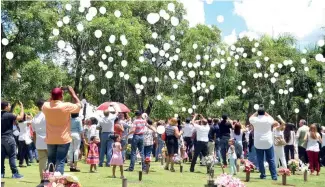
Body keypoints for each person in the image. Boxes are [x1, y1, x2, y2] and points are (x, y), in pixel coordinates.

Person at [42, 86, 81, 174]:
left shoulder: (46, 106)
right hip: (63, 139)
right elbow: (79, 105)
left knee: (50, 161)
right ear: (61, 96)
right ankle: (58, 181)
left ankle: (50, 182)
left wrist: (54, 93)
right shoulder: (66, 106)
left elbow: (47, 102)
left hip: (51, 139)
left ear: (51, 96)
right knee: (60, 161)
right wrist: (73, 94)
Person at [249, 106, 277, 180]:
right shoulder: (268, 119)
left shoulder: (255, 119)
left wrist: (256, 112)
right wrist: (265, 113)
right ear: (264, 113)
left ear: (258, 113)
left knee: (260, 160)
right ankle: (274, 176)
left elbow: (250, 117)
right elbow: (272, 118)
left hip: (258, 142)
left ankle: (263, 174)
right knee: (271, 159)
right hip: (268, 141)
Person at [1, 101, 24, 179]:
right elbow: (20, 117)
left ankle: (1, 173)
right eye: (9, 105)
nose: (10, 106)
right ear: (6, 107)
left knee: (1, 157)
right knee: (12, 156)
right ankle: (15, 173)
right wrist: (22, 107)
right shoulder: (9, 115)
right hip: (8, 138)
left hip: (1, 138)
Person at [31, 99, 47, 184]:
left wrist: (35, 142)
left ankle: (43, 178)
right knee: (51, 160)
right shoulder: (48, 116)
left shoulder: (34, 118)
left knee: (42, 161)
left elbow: (33, 133)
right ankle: (50, 178)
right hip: (49, 141)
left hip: (39, 142)